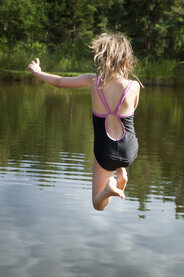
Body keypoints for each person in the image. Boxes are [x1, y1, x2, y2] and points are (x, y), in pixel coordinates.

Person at [28, 33, 142, 211]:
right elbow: (132, 111)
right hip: (129, 151)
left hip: (104, 152)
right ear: (126, 57)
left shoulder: (93, 81)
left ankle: (108, 189)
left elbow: (58, 82)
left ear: (102, 57)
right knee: (122, 148)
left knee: (98, 204)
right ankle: (121, 173)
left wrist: (38, 72)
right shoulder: (133, 86)